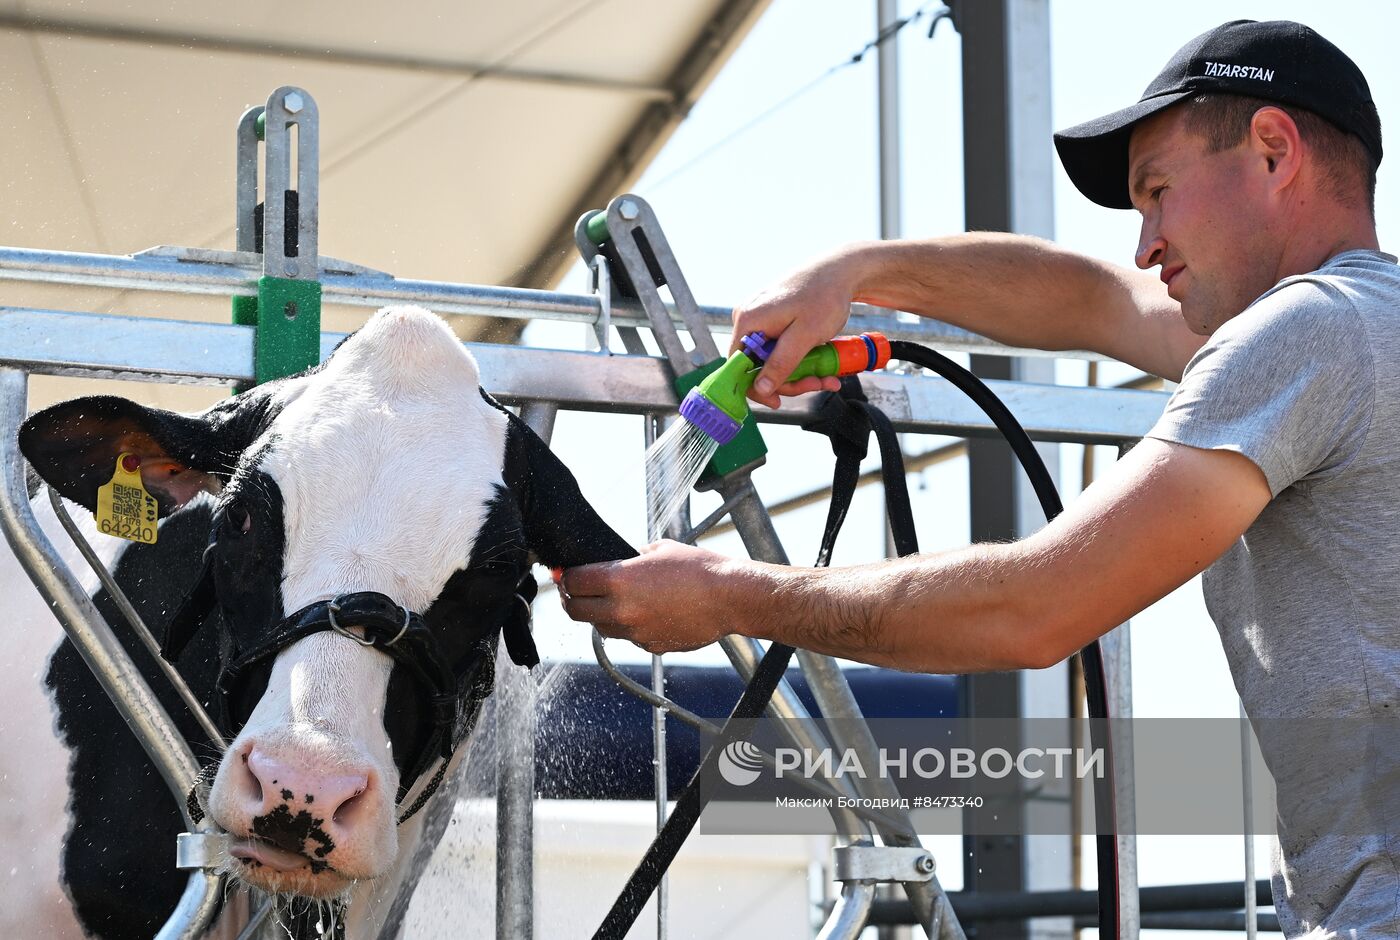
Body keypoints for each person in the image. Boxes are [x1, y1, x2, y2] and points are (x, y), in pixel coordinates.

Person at [560, 19, 1398, 937]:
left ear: (1275, 149)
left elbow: (1032, 608)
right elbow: (1091, 298)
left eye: (1157, 193)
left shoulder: (1309, 332)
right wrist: (857, 272)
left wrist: (730, 595)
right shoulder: (1366, 328)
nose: (1146, 245)